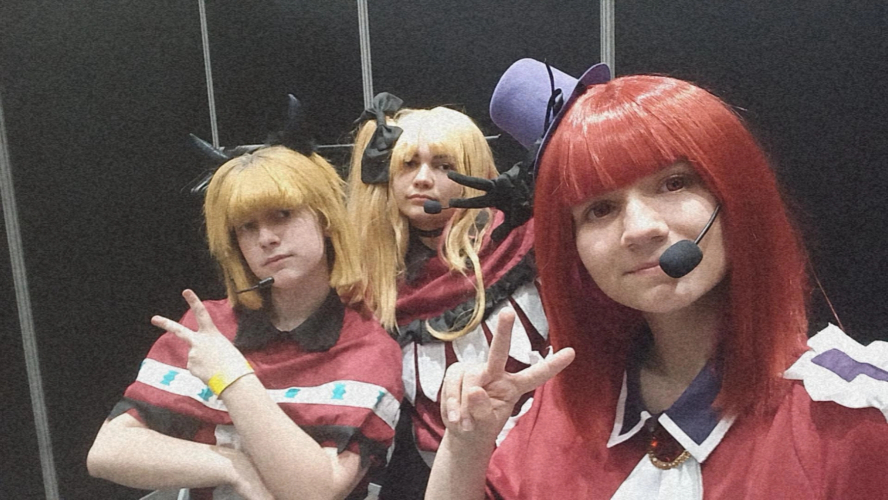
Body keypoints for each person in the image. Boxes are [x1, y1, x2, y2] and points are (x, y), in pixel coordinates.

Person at [426, 58, 888, 499]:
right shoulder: (562, 406)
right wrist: (467, 443)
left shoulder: (849, 412)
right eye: (600, 209)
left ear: (735, 194)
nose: (640, 228)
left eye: (673, 184)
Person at [87, 118, 404, 500]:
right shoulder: (209, 327)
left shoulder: (368, 348)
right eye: (247, 227)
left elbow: (316, 491)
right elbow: (109, 451)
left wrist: (231, 377)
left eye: (283, 214)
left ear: (324, 219)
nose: (266, 238)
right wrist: (231, 464)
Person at [347, 94, 549, 498]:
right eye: (408, 164)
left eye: (443, 165)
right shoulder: (375, 281)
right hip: (444, 475)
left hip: (544, 461)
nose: (422, 179)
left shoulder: (523, 243)